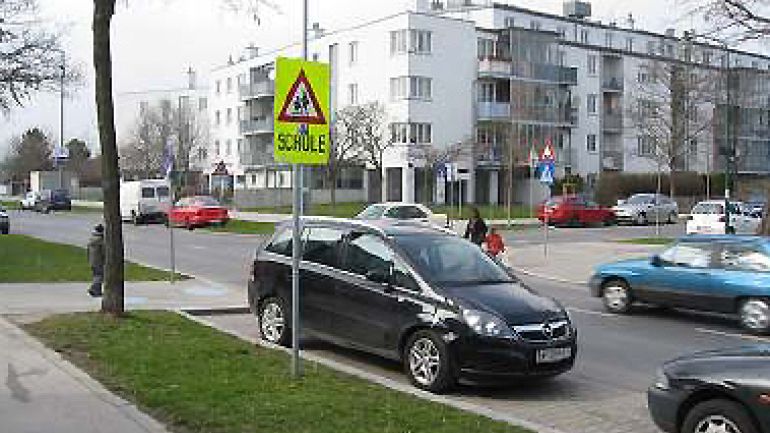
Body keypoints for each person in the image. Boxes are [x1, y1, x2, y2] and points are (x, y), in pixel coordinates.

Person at [87, 224, 105, 297]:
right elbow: (104, 251)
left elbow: (88, 251)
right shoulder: (101, 240)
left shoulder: (91, 239)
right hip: (99, 261)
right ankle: (95, 290)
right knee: (99, 276)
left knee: (95, 275)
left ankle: (94, 289)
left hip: (92, 260)